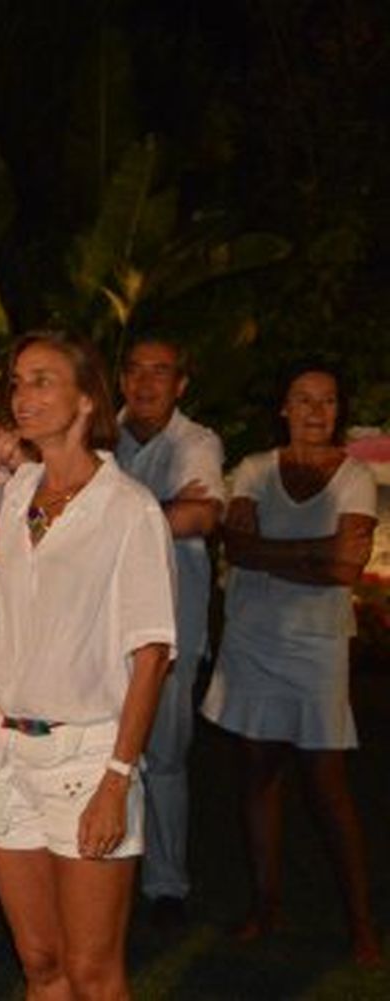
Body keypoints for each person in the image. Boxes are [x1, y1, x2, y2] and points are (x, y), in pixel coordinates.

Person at [0, 331, 176, 999]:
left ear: (87, 398)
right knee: (39, 961)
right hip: (3, 751)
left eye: (42, 380)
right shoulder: (14, 490)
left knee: (93, 971)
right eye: (17, 381)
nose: (21, 394)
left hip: (86, 758)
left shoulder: (128, 509)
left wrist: (117, 778)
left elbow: (151, 654)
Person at [200, 361, 381, 964]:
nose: (314, 411)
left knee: (327, 784)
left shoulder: (354, 477)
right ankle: (266, 905)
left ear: (339, 410)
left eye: (327, 401)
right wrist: (315, 552)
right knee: (259, 774)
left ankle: (360, 924)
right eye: (303, 399)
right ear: (283, 406)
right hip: (254, 640)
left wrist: (274, 553)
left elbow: (349, 568)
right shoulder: (254, 469)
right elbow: (238, 548)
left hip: (318, 646)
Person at [115, 337, 225, 923]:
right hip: (101, 630)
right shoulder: (98, 437)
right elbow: (177, 512)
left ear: (181, 383)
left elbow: (201, 516)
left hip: (169, 628)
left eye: (161, 372)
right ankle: (103, 870)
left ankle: (165, 884)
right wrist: (164, 512)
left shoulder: (196, 442)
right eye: (135, 370)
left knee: (163, 756)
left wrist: (111, 520)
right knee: (100, 756)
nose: (146, 383)